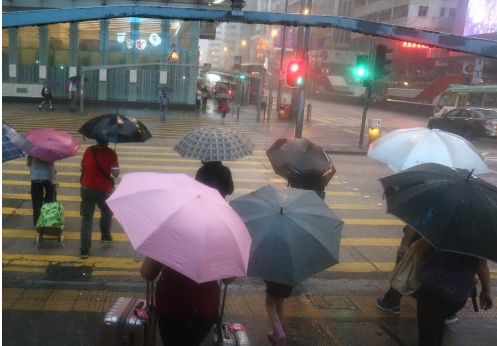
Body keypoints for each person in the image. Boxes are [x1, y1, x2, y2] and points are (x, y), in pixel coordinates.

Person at [414, 238, 493, 346]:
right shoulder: (478, 236)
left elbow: (420, 249)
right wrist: (486, 291)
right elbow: (482, 265)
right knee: (436, 327)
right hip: (457, 295)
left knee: (428, 332)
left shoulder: (443, 227)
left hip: (432, 289)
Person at [140, 257, 235, 346]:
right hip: (203, 309)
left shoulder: (167, 240)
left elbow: (147, 273)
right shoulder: (216, 242)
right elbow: (229, 279)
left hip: (170, 308)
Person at [79, 139, 120, 259]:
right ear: (108, 141)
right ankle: (106, 236)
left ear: (96, 139)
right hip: (103, 190)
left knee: (87, 219)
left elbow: (82, 169)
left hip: (87, 189)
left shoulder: (89, 150)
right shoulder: (112, 153)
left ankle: (84, 251)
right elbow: (116, 174)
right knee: (107, 211)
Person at [27, 156, 56, 227]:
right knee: (49, 201)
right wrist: (53, 180)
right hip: (48, 178)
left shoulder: (32, 149)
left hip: (35, 178)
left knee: (37, 202)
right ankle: (48, 221)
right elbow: (51, 165)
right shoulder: (49, 150)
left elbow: (28, 163)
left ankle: (37, 223)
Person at [265, 280, 292, 346]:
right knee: (280, 302)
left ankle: (279, 333)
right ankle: (278, 332)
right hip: (288, 282)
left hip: (275, 280)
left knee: (269, 302)